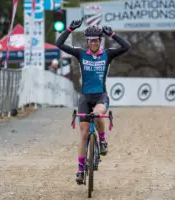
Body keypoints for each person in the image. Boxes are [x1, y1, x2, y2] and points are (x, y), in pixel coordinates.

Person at [55, 18, 131, 184]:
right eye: (91, 41)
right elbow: (59, 44)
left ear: (100, 41)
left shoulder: (107, 54)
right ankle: (81, 170)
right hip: (84, 97)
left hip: (101, 96)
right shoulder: (81, 54)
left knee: (97, 114)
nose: (94, 43)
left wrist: (112, 33)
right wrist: (69, 29)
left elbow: (126, 47)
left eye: (96, 40)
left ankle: (102, 140)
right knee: (83, 134)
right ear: (87, 42)